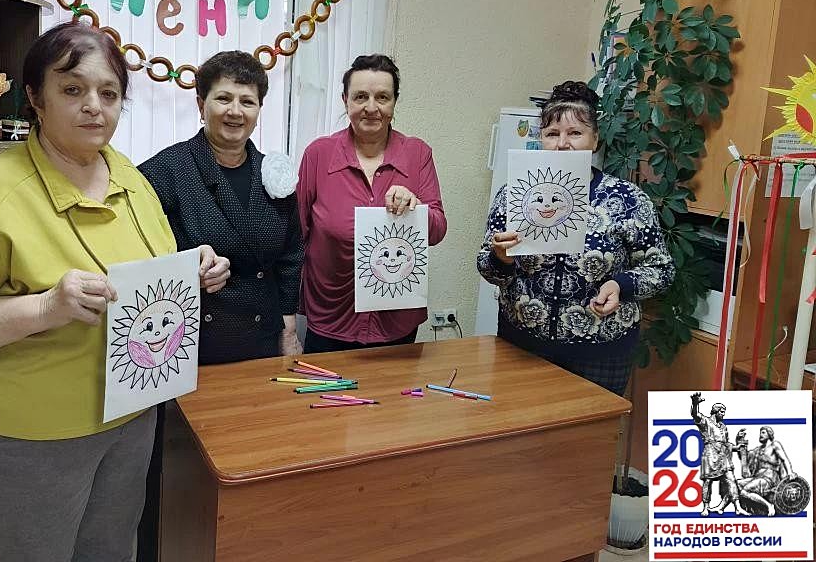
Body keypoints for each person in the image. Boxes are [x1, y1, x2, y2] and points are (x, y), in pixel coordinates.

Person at [0, 22, 230, 562]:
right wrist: (45, 307)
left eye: (109, 93)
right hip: (30, 441)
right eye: (73, 89)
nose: (94, 106)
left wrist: (191, 269)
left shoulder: (130, 178)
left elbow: (138, 278)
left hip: (129, 422)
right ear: (35, 98)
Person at [478, 81, 674, 396]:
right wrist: (500, 258)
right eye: (552, 134)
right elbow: (488, 268)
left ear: (595, 139)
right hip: (522, 346)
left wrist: (620, 285)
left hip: (600, 352)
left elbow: (661, 269)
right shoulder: (515, 192)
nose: (562, 144)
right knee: (519, 426)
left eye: (575, 133)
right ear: (541, 139)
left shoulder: (626, 198)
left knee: (592, 428)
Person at [138, 51, 303, 364]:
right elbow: (140, 257)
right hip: (189, 343)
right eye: (224, 98)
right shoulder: (164, 171)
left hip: (264, 340)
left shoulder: (274, 173)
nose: (235, 111)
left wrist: (289, 326)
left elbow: (290, 255)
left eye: (247, 102)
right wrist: (187, 268)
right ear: (201, 104)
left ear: (259, 110)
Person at [298, 54, 447, 352]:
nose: (371, 107)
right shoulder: (319, 154)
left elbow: (437, 230)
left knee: (394, 385)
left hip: (396, 319)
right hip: (331, 316)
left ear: (394, 102)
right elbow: (296, 234)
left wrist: (417, 209)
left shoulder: (418, 153)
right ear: (345, 100)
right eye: (360, 97)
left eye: (382, 97)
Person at [691, 393, 747, 516]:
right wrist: (695, 404)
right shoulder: (706, 421)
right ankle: (706, 507)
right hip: (710, 454)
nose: (723, 414)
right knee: (708, 481)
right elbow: (695, 414)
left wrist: (736, 447)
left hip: (723, 456)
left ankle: (738, 507)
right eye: (721, 412)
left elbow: (726, 443)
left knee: (731, 480)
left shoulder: (723, 427)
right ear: (715, 411)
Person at [733, 425, 797, 516]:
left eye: (763, 432)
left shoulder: (774, 445)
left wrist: (790, 472)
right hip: (757, 477)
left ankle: (769, 505)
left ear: (769, 434)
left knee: (745, 491)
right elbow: (744, 457)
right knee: (735, 484)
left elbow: (784, 459)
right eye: (760, 433)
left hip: (769, 478)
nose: (760, 435)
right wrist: (739, 439)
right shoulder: (757, 450)